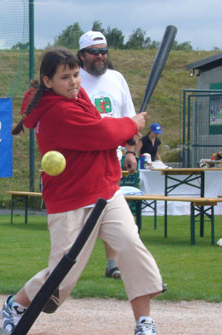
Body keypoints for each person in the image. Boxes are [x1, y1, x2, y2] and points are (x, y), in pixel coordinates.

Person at [3, 48, 163, 335]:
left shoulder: (78, 98)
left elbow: (99, 130)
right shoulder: (55, 111)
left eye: (76, 75)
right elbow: (99, 133)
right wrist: (131, 125)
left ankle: (144, 322)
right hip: (71, 200)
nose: (74, 82)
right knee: (61, 276)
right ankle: (16, 305)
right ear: (48, 81)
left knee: (130, 246)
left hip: (105, 190)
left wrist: (124, 133)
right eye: (65, 77)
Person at [77, 30, 138, 280]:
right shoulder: (74, 79)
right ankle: (66, 265)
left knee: (110, 209)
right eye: (94, 52)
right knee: (82, 216)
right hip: (82, 158)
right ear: (82, 55)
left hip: (111, 158)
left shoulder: (117, 78)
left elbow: (129, 119)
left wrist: (131, 151)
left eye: (103, 51)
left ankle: (113, 263)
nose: (100, 56)